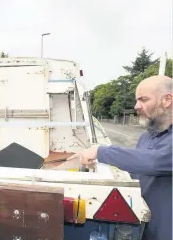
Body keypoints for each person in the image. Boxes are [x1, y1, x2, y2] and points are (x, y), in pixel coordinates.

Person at [68, 75, 172, 240]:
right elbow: (136, 168)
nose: (137, 106)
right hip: (143, 227)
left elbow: (153, 162)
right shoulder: (146, 137)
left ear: (167, 100)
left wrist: (101, 151)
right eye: (137, 100)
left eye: (143, 100)